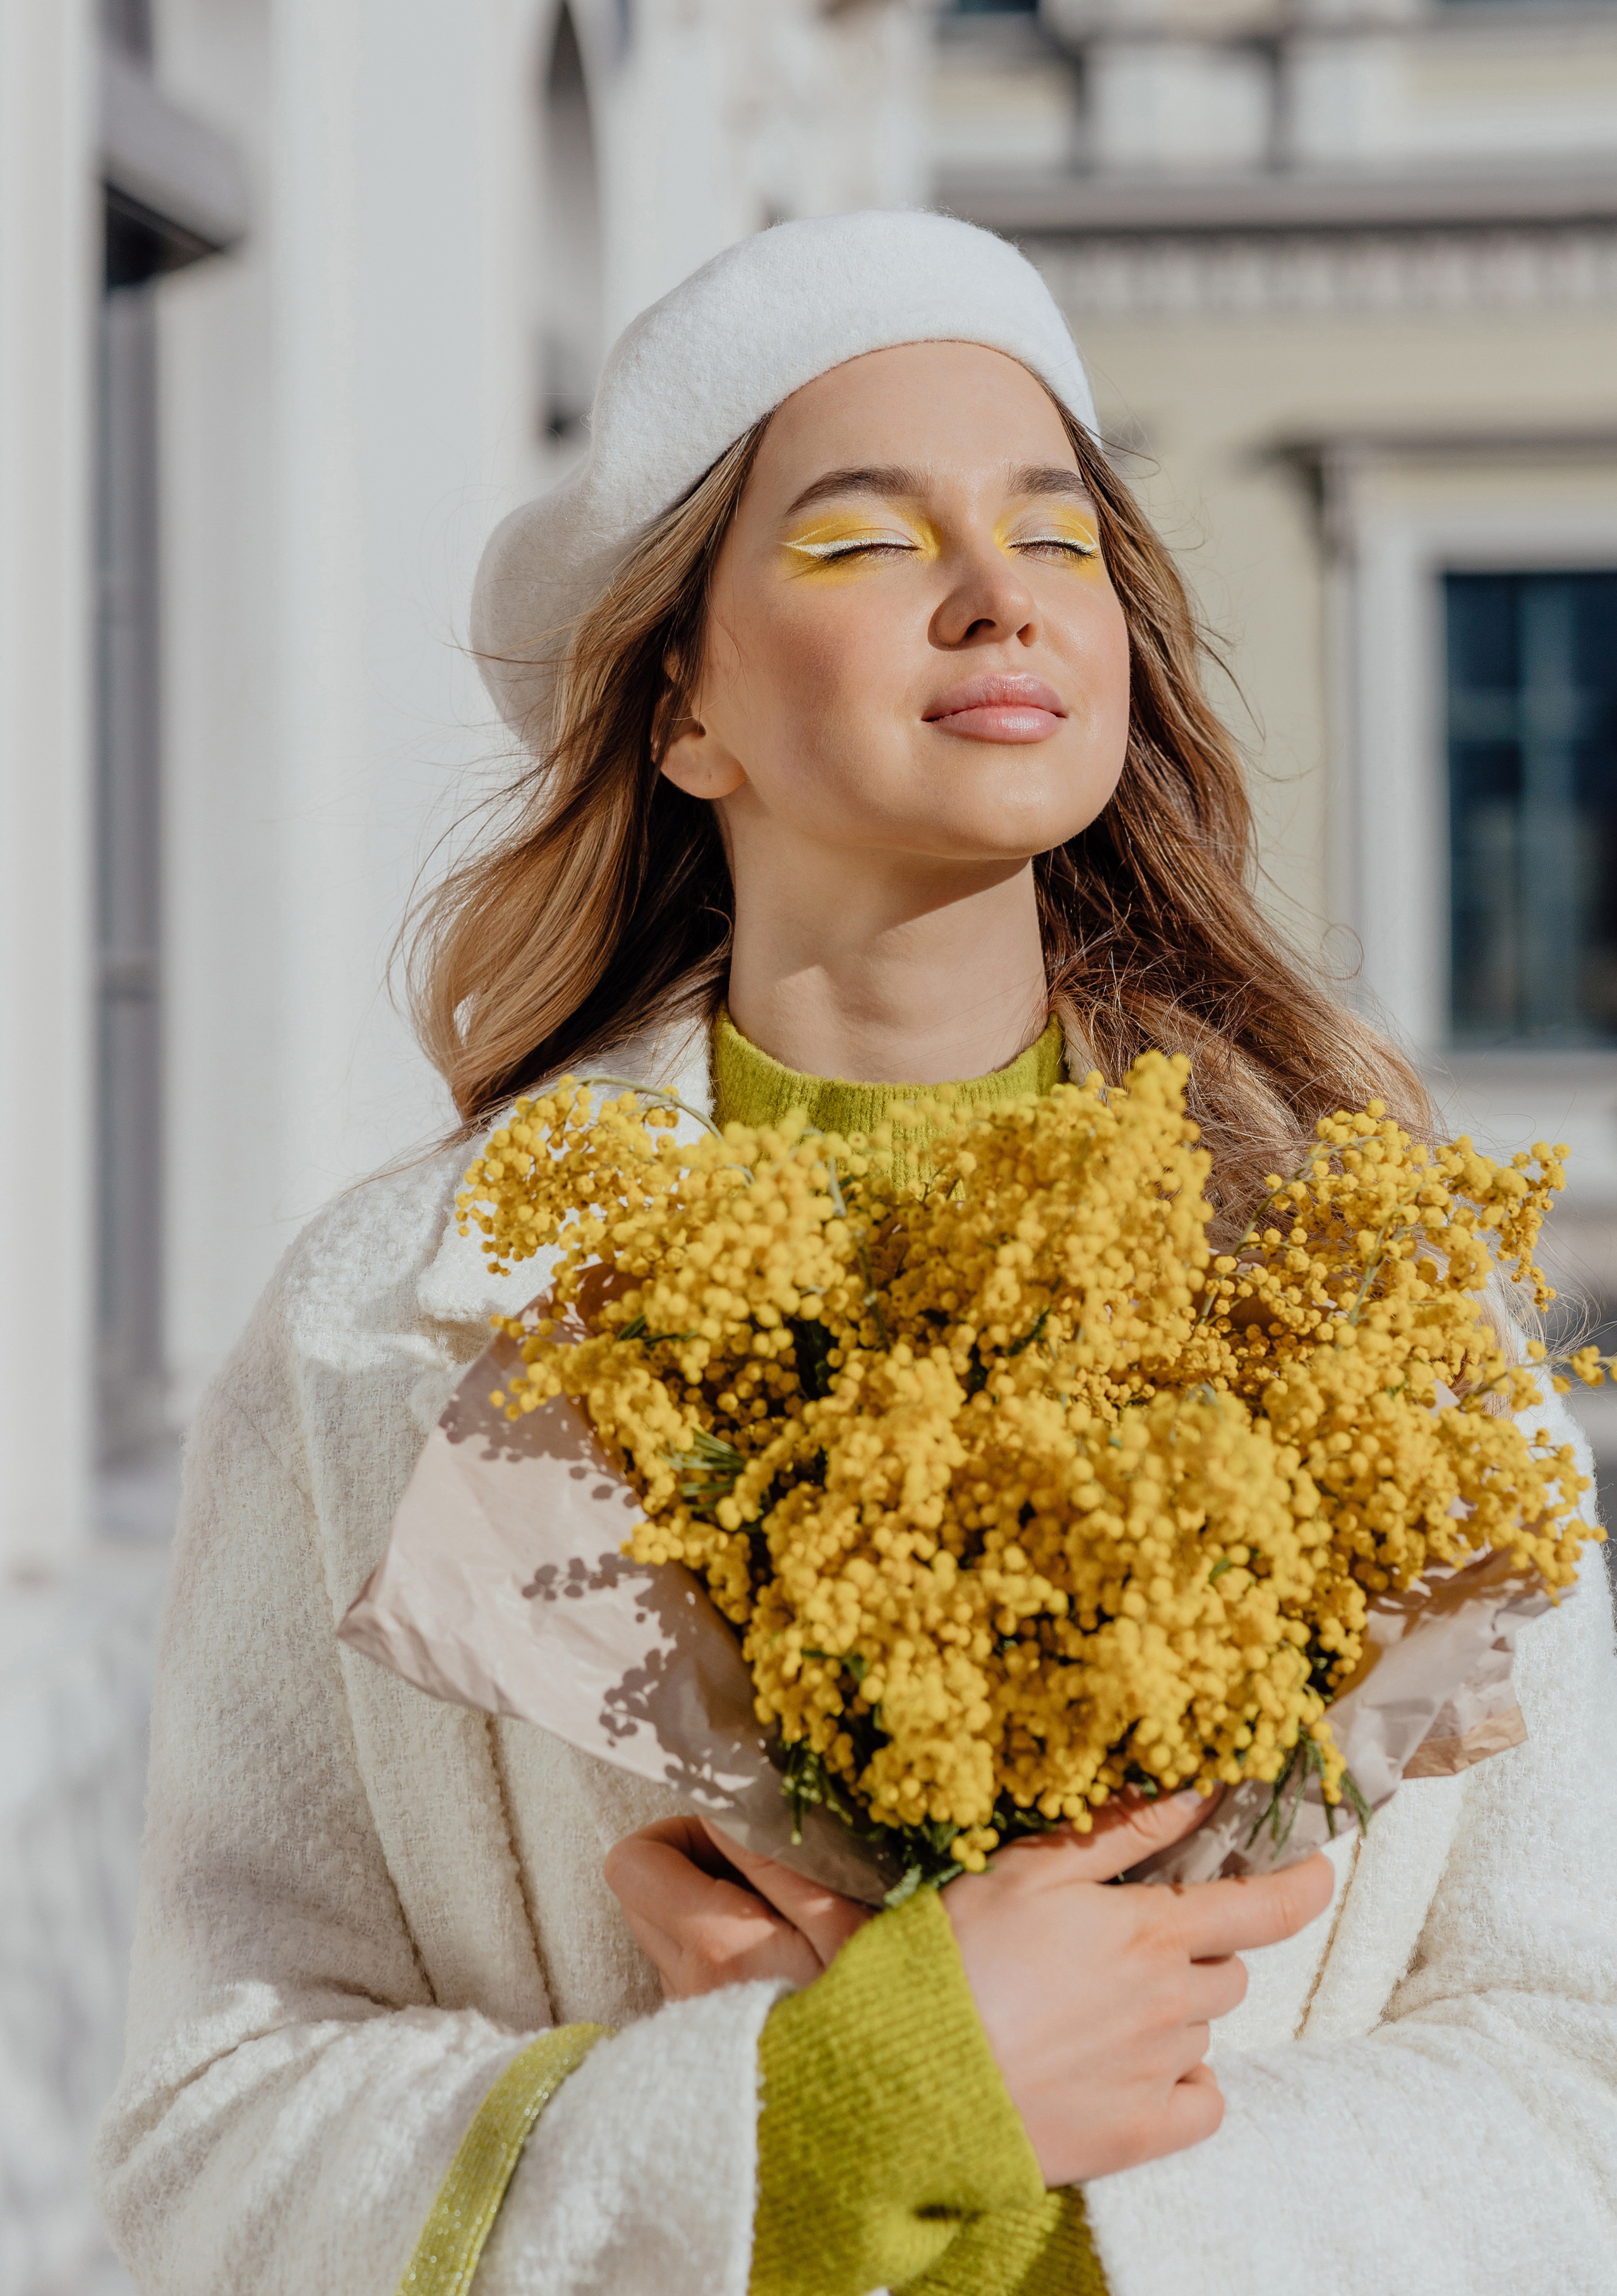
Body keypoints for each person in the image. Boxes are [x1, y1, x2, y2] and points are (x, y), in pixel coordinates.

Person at [94, 212, 1617, 2296]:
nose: (999, 592)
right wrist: (826, 2109)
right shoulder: (389, 1325)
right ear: (680, 713)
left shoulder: (1385, 1292)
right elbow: (211, 2143)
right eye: (859, 542)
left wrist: (1065, 2155)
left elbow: (1583, 2081)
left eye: (1058, 537)